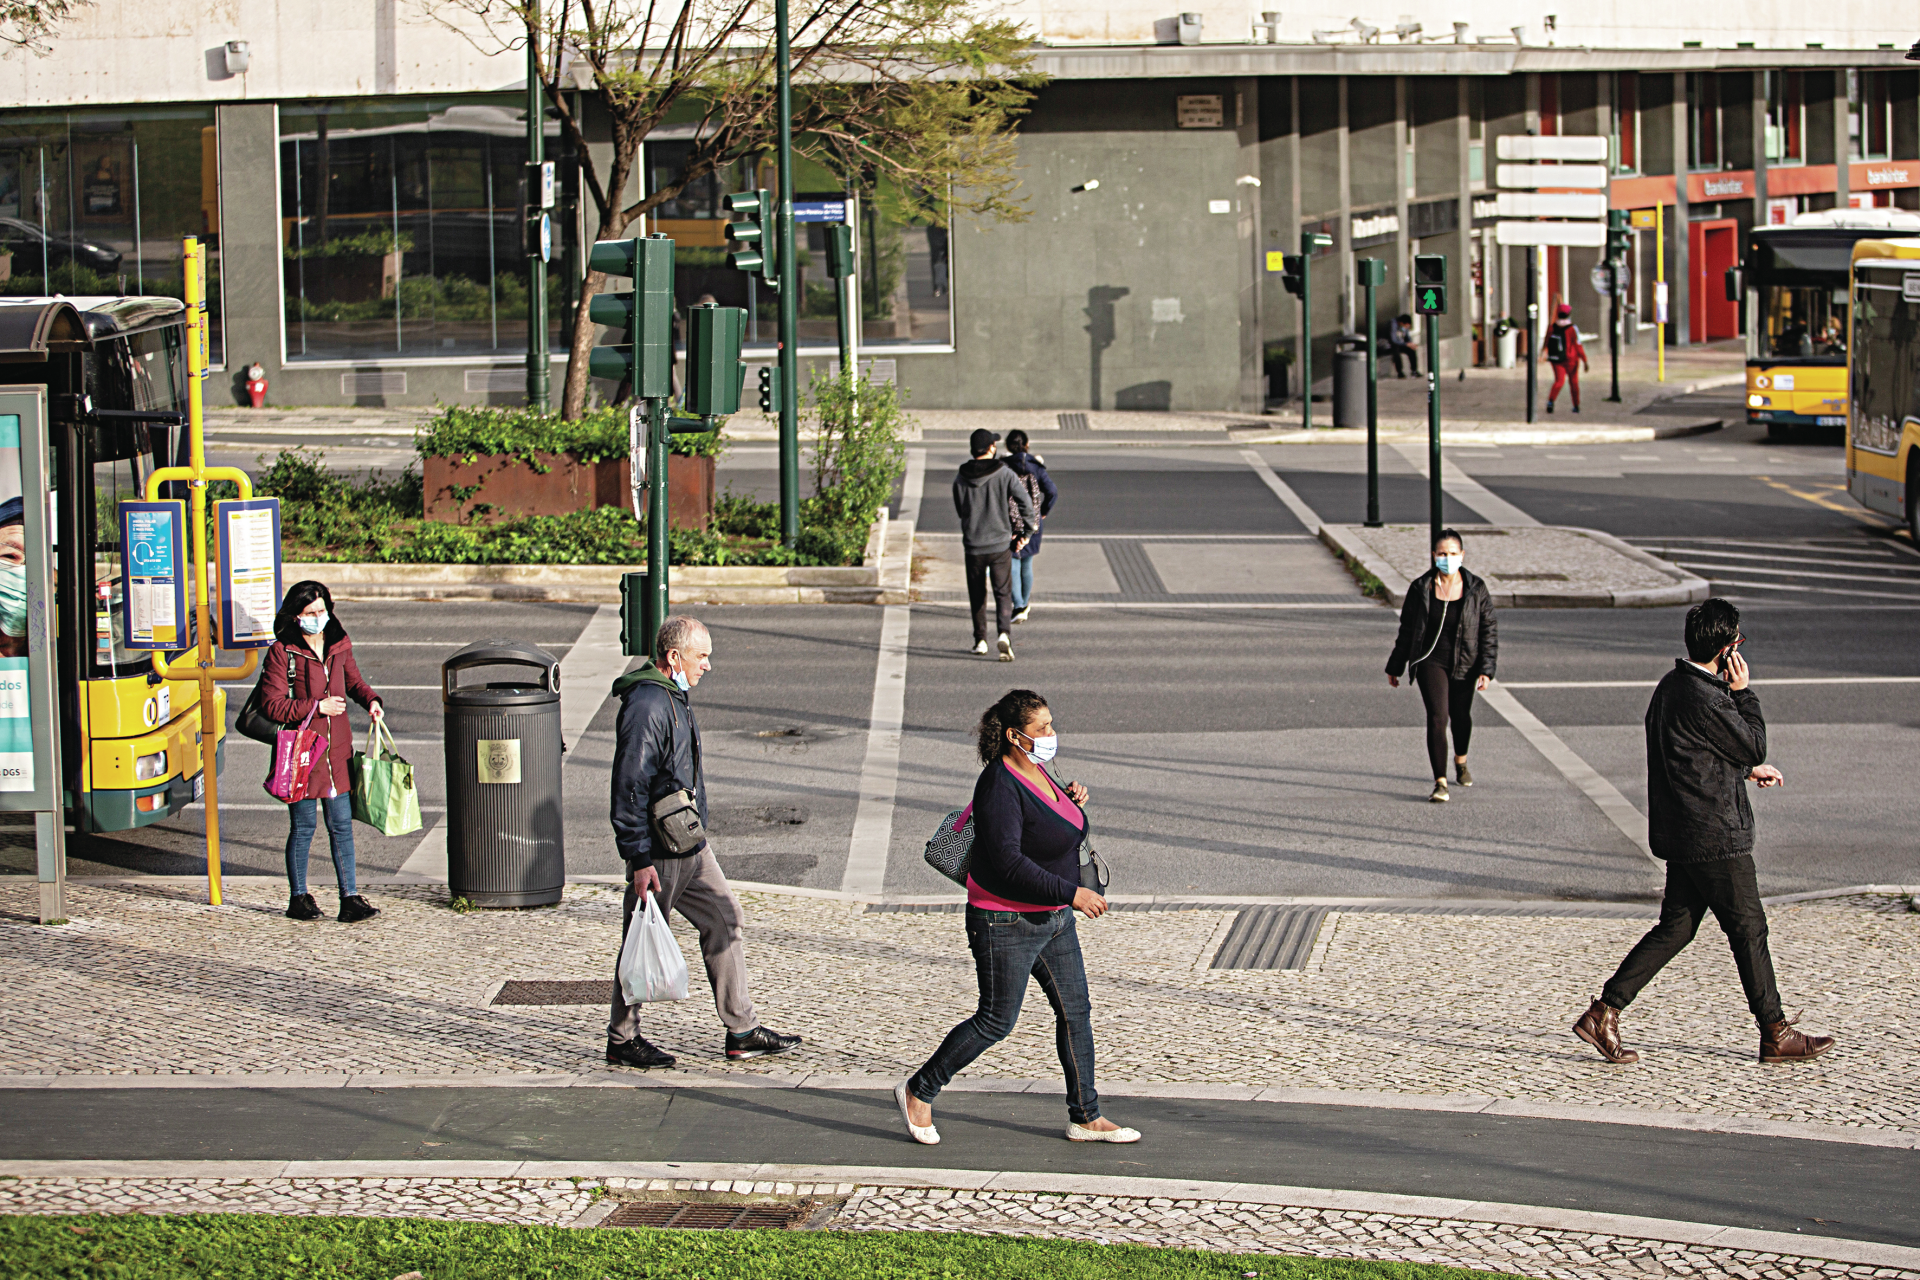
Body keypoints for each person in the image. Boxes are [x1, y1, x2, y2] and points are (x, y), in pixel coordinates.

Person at [1572, 599, 1835, 1066]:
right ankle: (1775, 1033)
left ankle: (1603, 1012)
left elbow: (1692, 753)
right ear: (1726, 648)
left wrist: (1745, 771)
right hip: (1715, 835)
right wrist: (1744, 692)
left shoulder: (1671, 686)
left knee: (1676, 928)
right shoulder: (1711, 696)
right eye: (1738, 641)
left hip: (1684, 832)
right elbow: (1752, 741)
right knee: (1749, 929)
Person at [896, 689, 1139, 1147]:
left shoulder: (1040, 771)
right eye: (1042, 728)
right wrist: (1073, 893)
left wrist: (1070, 801)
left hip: (1052, 920)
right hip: (1004, 921)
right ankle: (918, 1090)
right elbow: (1008, 863)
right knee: (996, 1020)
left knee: (1076, 1013)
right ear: (1014, 736)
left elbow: (1047, 829)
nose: (1051, 734)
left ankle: (1086, 1116)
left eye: (1051, 724)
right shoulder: (997, 786)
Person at [605, 615, 802, 1070]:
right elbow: (629, 785)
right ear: (674, 657)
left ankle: (742, 1031)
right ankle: (622, 1039)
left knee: (726, 918)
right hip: (659, 849)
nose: (707, 665)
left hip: (689, 842)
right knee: (641, 937)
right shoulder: (648, 705)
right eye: (701, 656)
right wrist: (637, 857)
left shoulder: (671, 696)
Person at [259, 581, 384, 923]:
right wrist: (316, 707)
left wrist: (371, 701)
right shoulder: (282, 652)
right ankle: (298, 897)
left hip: (337, 750)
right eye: (311, 613)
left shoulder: (339, 644)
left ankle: (350, 897)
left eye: (323, 611)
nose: (318, 617)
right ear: (296, 616)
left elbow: (354, 681)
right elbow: (272, 705)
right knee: (304, 825)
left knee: (341, 825)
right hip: (302, 753)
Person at [1385, 529, 1497, 803]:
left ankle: (1461, 761)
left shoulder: (1476, 588)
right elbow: (1408, 629)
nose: (1447, 558)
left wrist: (1486, 669)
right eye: (1442, 554)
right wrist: (1395, 665)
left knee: (1461, 717)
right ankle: (1440, 782)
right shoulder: (1420, 588)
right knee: (1438, 717)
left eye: (1453, 553)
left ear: (1462, 555)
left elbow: (1488, 630)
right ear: (1434, 556)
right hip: (1430, 661)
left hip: (1465, 662)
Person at [952, 428, 1037, 662]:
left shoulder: (961, 476)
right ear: (991, 448)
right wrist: (1027, 531)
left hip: (973, 545)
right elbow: (1026, 503)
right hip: (1000, 545)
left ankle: (980, 640)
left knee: (977, 594)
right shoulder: (1004, 474)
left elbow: (961, 510)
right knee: (1003, 592)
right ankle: (1003, 634)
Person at [1002, 430, 1057, 626]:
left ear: (1007, 446)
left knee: (1013, 565)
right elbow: (1052, 492)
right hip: (1033, 522)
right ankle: (1024, 604)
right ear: (1027, 444)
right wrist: (1042, 511)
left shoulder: (1003, 467)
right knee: (1027, 564)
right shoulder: (1037, 467)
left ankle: (1019, 606)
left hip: (1010, 522)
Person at [1543, 302, 1588, 413]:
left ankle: (1551, 401)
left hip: (1556, 359)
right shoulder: (1572, 328)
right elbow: (1578, 345)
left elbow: (1547, 342)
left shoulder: (1552, 327)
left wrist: (1544, 353)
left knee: (1559, 381)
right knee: (1573, 382)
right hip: (1571, 359)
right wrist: (1585, 360)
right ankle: (1576, 405)